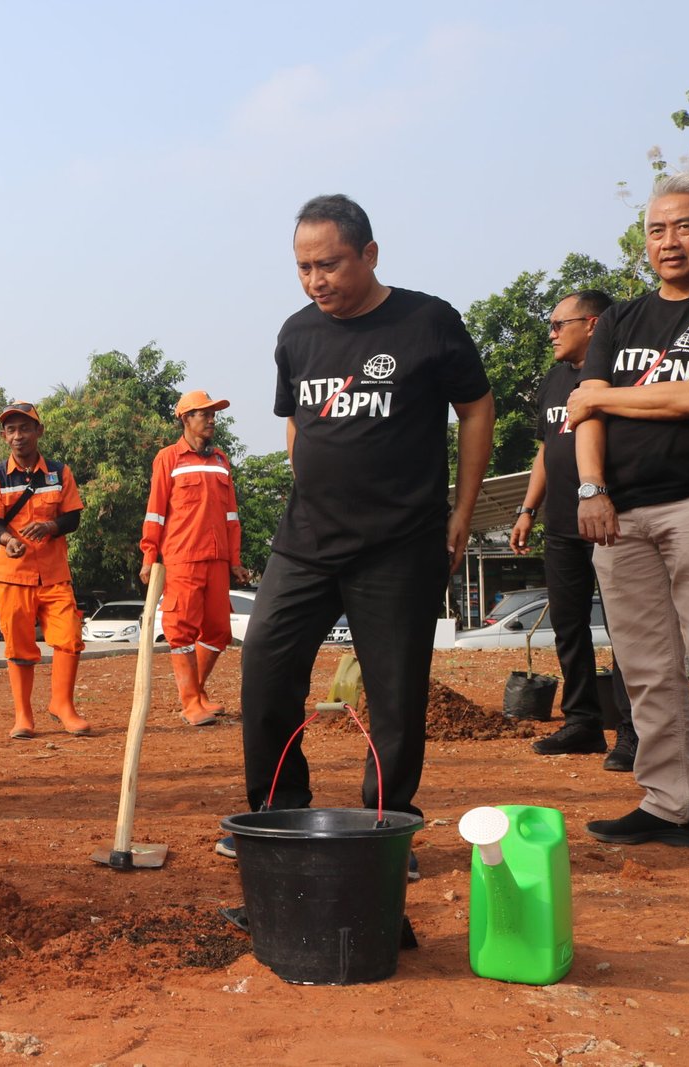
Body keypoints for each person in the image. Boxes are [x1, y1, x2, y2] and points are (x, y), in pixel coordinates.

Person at [231, 195, 493, 871]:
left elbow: (476, 406)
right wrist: (313, 478)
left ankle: (388, 825)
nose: (316, 279)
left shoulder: (427, 322)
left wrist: (461, 512)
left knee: (395, 694)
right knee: (265, 665)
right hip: (306, 541)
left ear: (369, 255)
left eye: (330, 264)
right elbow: (295, 419)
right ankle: (275, 811)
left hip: (400, 543)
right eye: (303, 267)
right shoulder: (296, 333)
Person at [570, 171, 689, 848]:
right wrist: (591, 487)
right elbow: (579, 412)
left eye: (684, 225)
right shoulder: (619, 318)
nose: (669, 241)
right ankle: (670, 802)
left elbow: (687, 399)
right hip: (621, 515)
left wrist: (605, 397)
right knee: (647, 668)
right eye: (657, 229)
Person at [510, 290, 637, 768]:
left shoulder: (619, 375)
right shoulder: (553, 381)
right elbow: (546, 450)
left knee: (627, 629)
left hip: (611, 520)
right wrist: (527, 510)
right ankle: (583, 723)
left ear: (594, 323)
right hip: (561, 525)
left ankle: (632, 732)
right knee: (568, 625)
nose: (551, 334)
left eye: (559, 324)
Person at [140, 390, 252, 727]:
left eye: (213, 413)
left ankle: (198, 693)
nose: (212, 419)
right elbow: (156, 512)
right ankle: (190, 703)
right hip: (182, 557)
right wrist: (149, 556)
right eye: (205, 414)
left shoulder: (221, 461)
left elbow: (231, 515)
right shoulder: (169, 458)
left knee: (218, 631)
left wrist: (235, 560)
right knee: (181, 630)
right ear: (186, 419)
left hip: (217, 559)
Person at [0, 400, 87, 739]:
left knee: (69, 637)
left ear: (38, 431)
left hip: (55, 574)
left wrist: (50, 527)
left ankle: (63, 706)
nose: (18, 436)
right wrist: (6, 541)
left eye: (25, 428)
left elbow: (72, 517)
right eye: (11, 430)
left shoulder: (60, 472)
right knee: (19, 646)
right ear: (3, 436)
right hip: (13, 576)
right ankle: (23, 717)